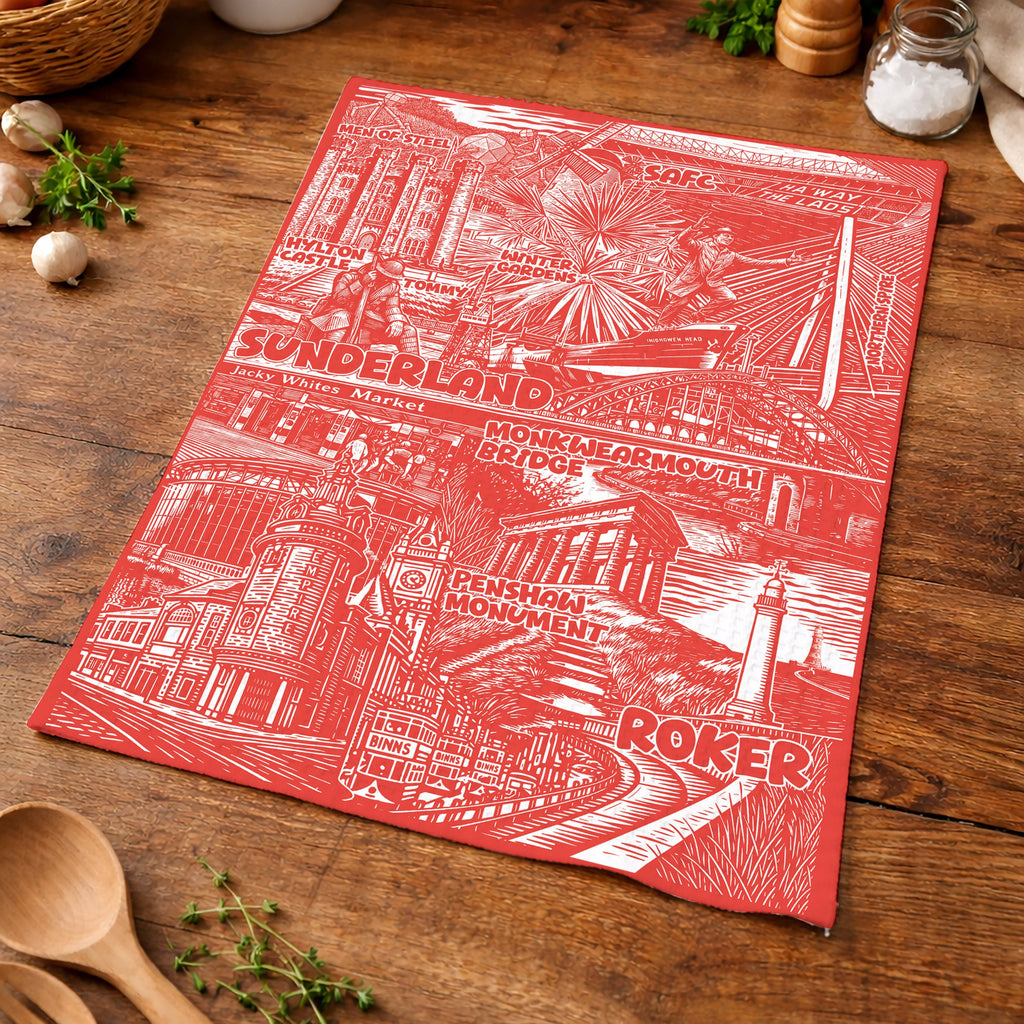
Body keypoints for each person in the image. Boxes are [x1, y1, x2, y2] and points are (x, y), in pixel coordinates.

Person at [660, 225, 799, 323]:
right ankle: (661, 324)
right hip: (691, 281)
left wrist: (786, 261)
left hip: (713, 283)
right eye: (726, 235)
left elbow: (756, 262)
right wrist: (694, 228)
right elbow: (682, 240)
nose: (729, 238)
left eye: (731, 237)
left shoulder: (731, 255)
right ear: (715, 236)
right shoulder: (701, 246)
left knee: (729, 298)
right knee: (680, 302)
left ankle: (698, 314)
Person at [307, 259, 419, 355]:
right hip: (342, 311)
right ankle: (325, 356)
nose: (386, 279)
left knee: (408, 330)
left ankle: (413, 366)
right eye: (384, 275)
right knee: (341, 318)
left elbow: (392, 306)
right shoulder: (349, 277)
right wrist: (360, 283)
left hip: (367, 317)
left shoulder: (392, 286)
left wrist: (397, 321)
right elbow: (338, 299)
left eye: (390, 277)